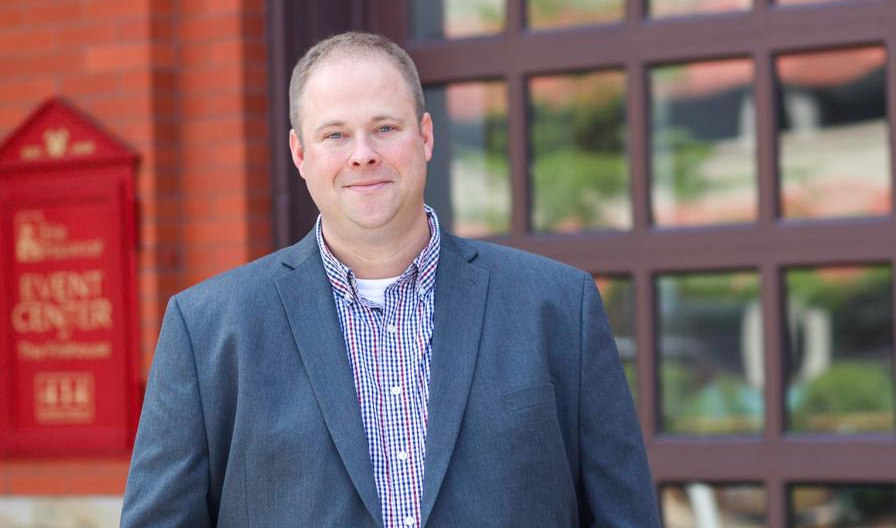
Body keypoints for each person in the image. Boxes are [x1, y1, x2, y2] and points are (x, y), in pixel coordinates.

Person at [121, 32, 659, 527]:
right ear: (300, 154)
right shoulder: (209, 330)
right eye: (335, 134)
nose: (363, 154)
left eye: (385, 127)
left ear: (425, 136)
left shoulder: (558, 306)